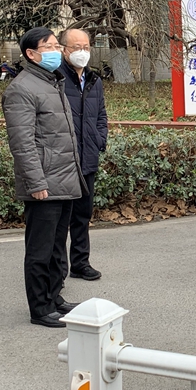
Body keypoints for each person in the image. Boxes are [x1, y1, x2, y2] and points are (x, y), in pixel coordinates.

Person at [2, 27, 84, 328]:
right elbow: (22, 144)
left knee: (56, 247)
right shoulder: (22, 89)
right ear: (31, 54)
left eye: (55, 45)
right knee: (40, 250)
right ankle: (40, 308)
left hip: (64, 179)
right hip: (44, 184)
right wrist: (36, 183)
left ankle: (54, 297)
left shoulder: (53, 81)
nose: (55, 51)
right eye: (48, 47)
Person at [59, 28, 108, 282]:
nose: (82, 52)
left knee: (82, 215)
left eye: (86, 47)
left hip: (87, 156)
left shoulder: (93, 80)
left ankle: (80, 263)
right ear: (64, 50)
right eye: (76, 47)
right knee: (60, 219)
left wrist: (99, 139)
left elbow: (101, 115)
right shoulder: (55, 79)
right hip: (62, 161)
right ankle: (57, 271)